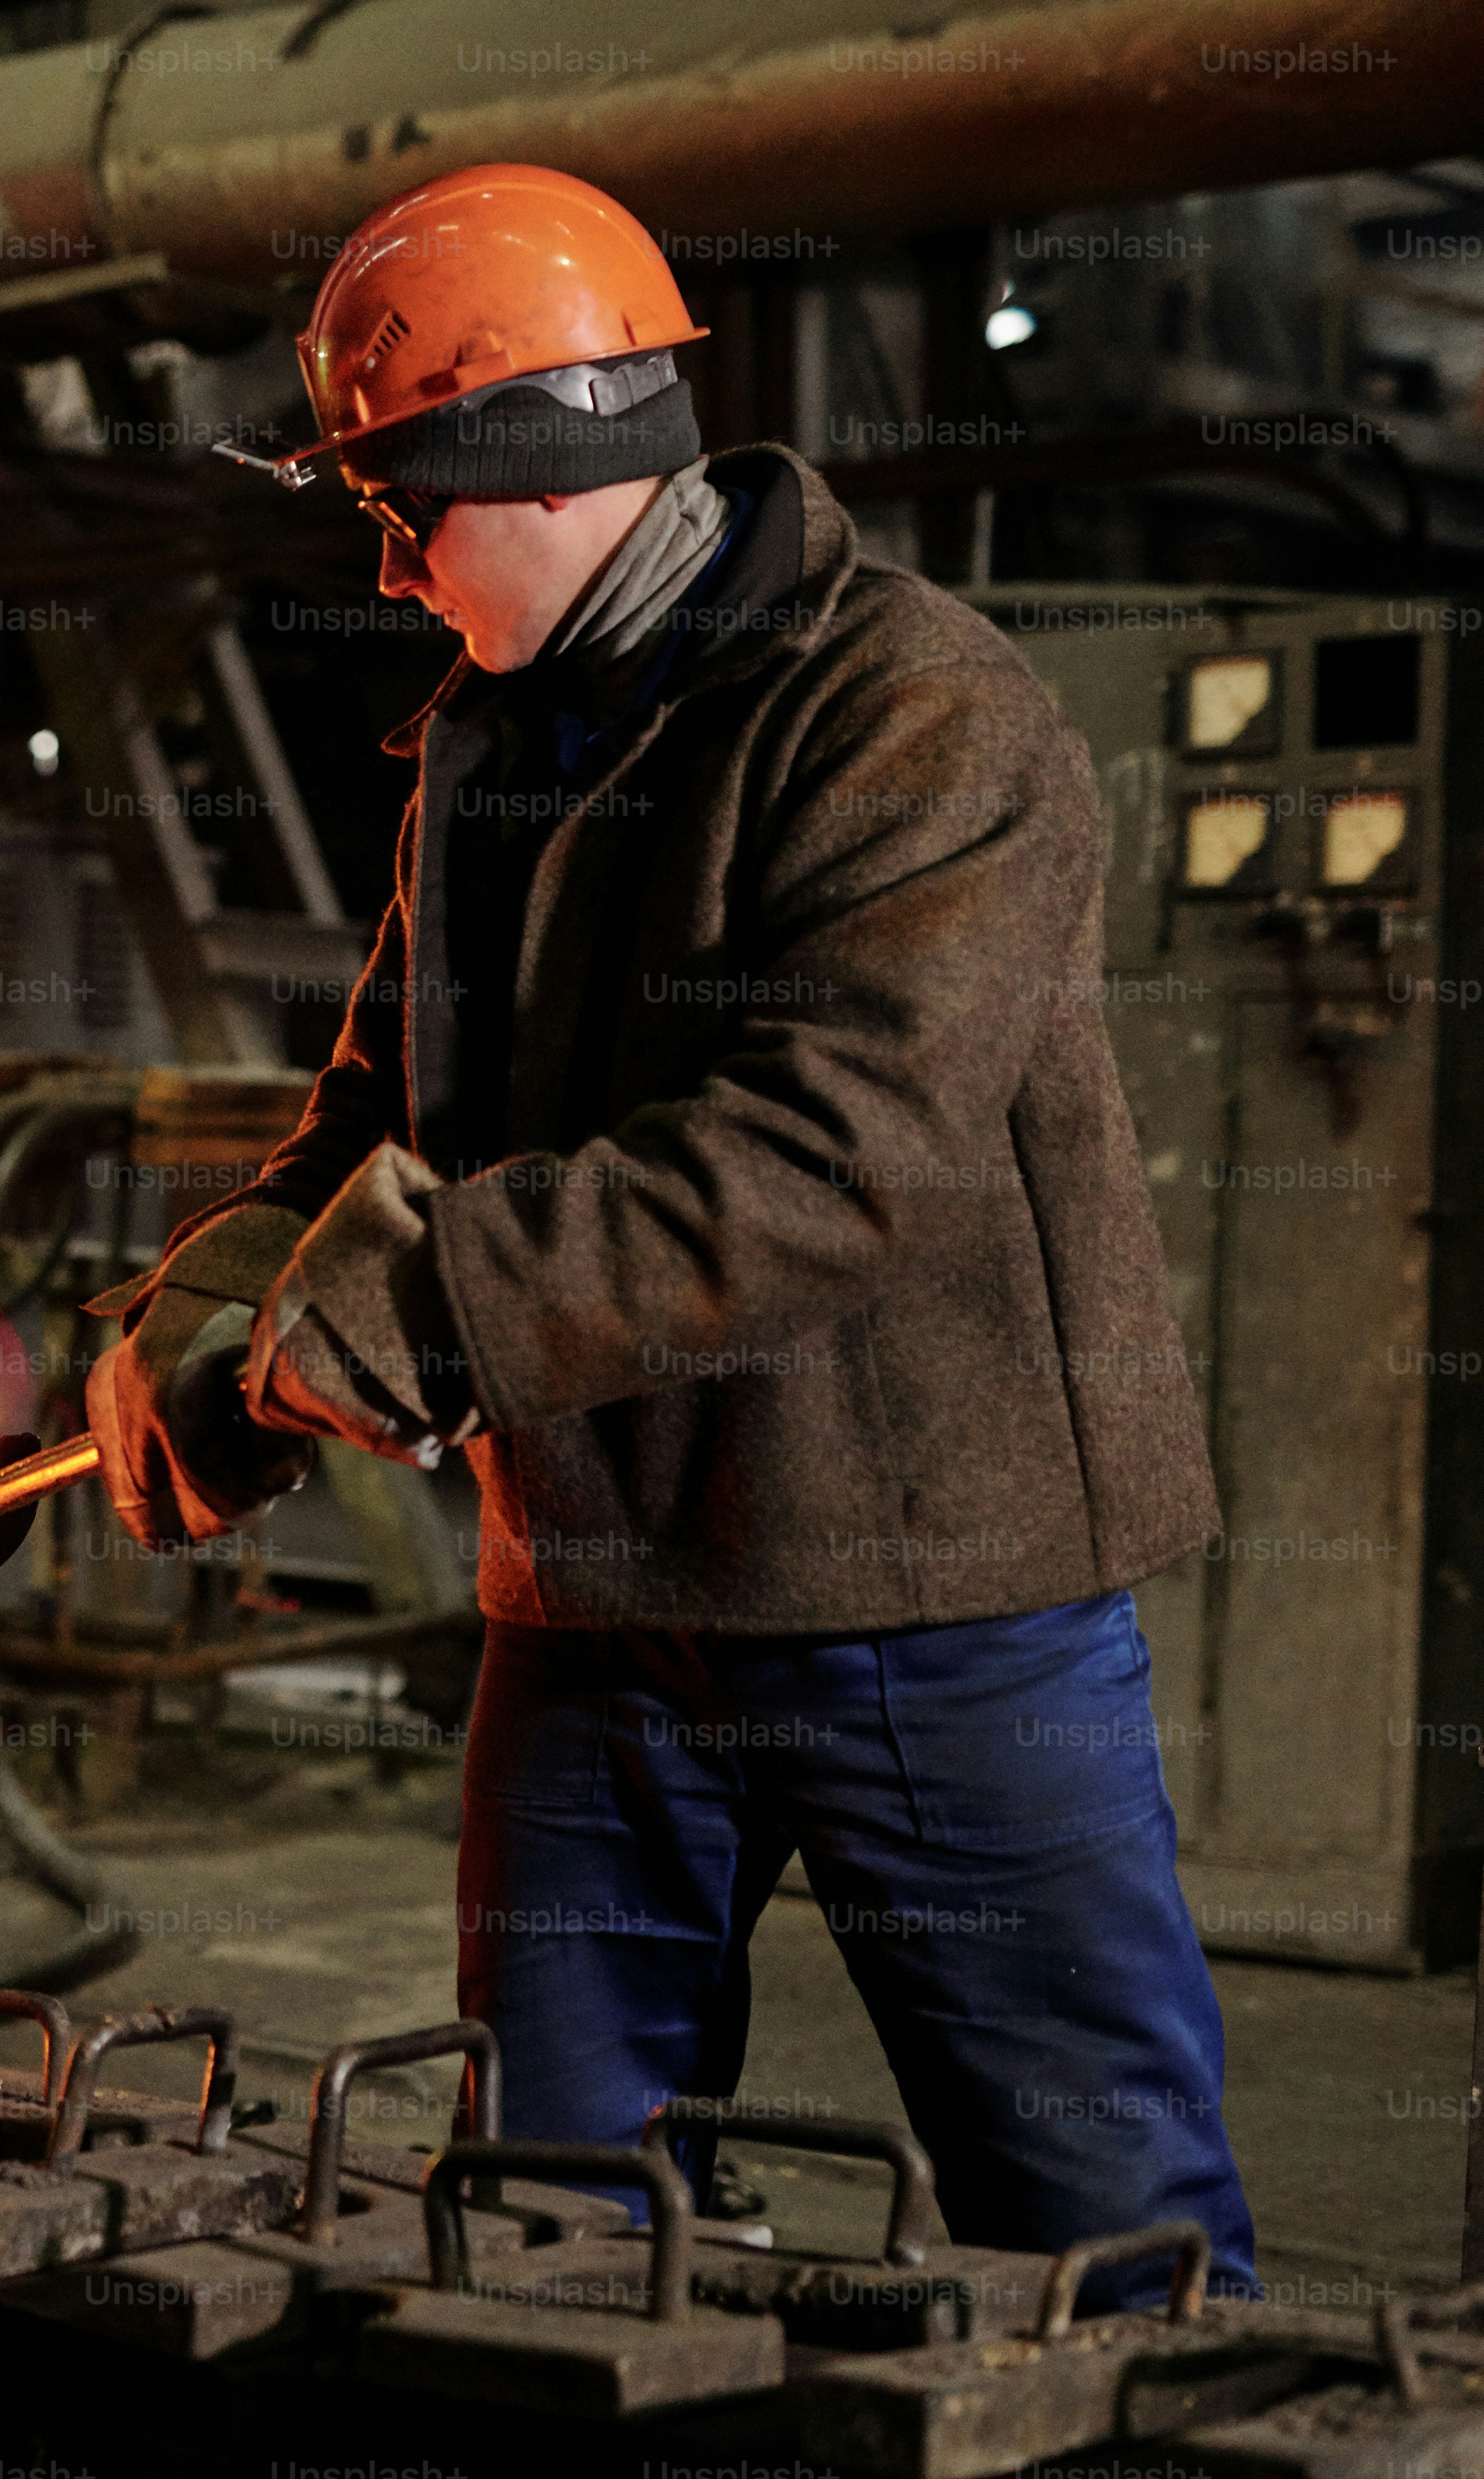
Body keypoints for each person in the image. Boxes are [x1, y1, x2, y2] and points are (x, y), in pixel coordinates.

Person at [85, 163, 1254, 2301]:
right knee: (548, 2198)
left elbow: (831, 1157)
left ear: (534, 468)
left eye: (397, 506)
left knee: (1102, 2230)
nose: (385, 564)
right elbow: (370, 1101)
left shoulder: (914, 714)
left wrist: (418, 1311)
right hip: (599, 1598)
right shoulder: (486, 747)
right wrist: (223, 1289)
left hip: (923, 1592)